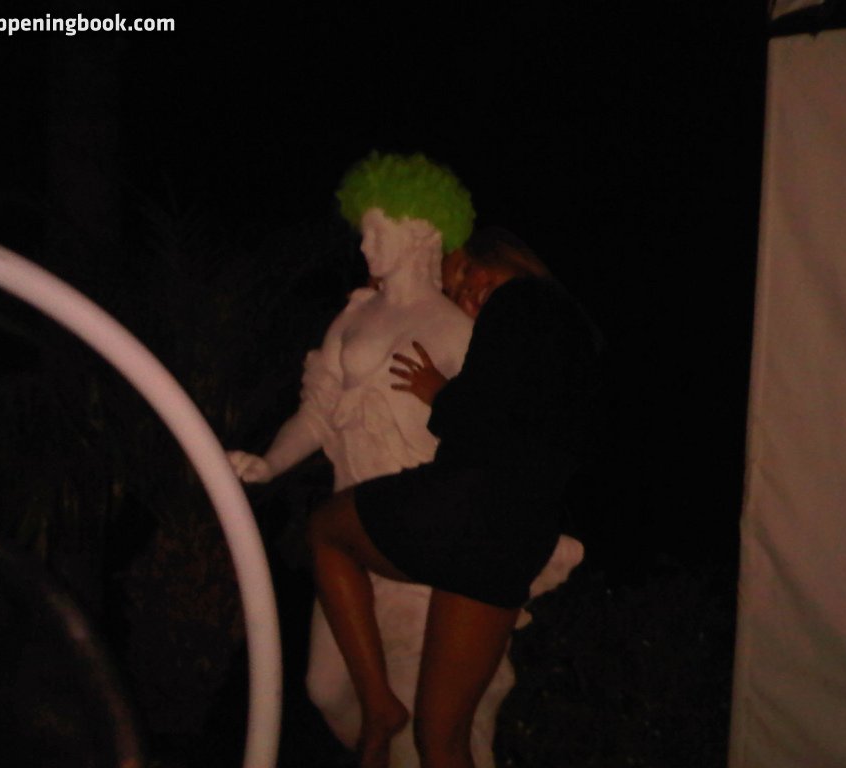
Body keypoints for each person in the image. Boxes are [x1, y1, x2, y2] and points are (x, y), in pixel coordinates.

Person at [227, 155, 583, 767]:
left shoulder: (474, 330)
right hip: (364, 531)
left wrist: (445, 398)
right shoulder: (353, 317)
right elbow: (319, 411)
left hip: (429, 540)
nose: (364, 247)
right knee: (327, 689)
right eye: (362, 232)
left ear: (421, 232)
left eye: (377, 231)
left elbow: (502, 433)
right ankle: (380, 715)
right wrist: (270, 463)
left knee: (435, 730)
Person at [308, 227, 602, 768]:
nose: (470, 290)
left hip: (468, 503)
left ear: (504, 257)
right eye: (457, 291)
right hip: (517, 538)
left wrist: (438, 392)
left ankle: (378, 707)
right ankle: (384, 713)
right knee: (442, 741)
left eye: (468, 271)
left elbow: (481, 420)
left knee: (327, 531)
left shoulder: (519, 299)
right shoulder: (577, 335)